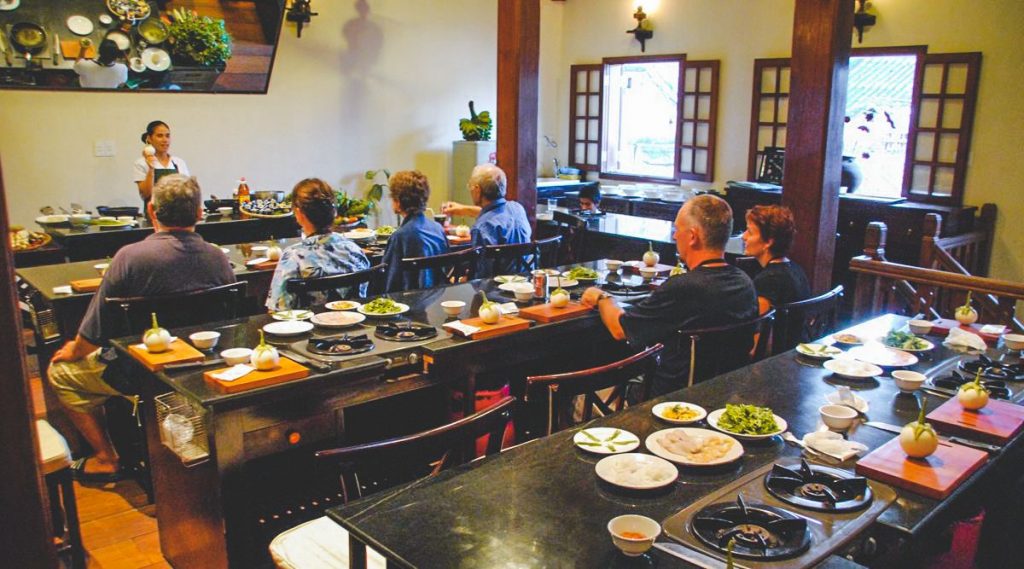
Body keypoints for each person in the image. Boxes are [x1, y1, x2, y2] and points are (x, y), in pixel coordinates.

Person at [48, 175, 235, 481]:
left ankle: (106, 458)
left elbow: (93, 334)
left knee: (60, 375)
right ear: (200, 212)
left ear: (152, 211)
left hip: (139, 372)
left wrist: (73, 351)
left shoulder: (129, 258)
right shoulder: (217, 257)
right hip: (203, 368)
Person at [581, 195, 758, 396]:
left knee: (580, 395)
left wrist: (602, 298)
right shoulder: (745, 283)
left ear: (692, 236)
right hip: (728, 394)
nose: (674, 237)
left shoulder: (683, 288)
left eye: (677, 230)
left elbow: (620, 329)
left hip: (673, 402)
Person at [266, 178, 370, 311]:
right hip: (353, 325)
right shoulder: (354, 250)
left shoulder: (293, 257)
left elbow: (277, 310)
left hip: (309, 329)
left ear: (299, 213)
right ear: (334, 212)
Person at [442, 164, 531, 274]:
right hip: (525, 279)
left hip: (497, 286)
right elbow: (497, 215)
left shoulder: (482, 228)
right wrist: (463, 209)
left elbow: (481, 275)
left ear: (478, 190)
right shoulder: (517, 208)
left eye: (470, 186)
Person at [381, 170, 449, 292]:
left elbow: (389, 282)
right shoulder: (438, 228)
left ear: (399, 200)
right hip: (438, 296)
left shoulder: (399, 237)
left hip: (410, 300)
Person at [741, 205, 811, 315]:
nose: (743, 236)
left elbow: (760, 329)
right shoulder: (797, 270)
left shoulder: (769, 280)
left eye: (750, 232)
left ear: (769, 242)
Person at [134, 120, 190, 208]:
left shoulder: (179, 162)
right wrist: (151, 169)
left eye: (167, 136)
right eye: (160, 136)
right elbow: (146, 195)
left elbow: (187, 191)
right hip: (154, 215)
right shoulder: (141, 163)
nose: (165, 140)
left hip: (179, 214)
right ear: (149, 138)